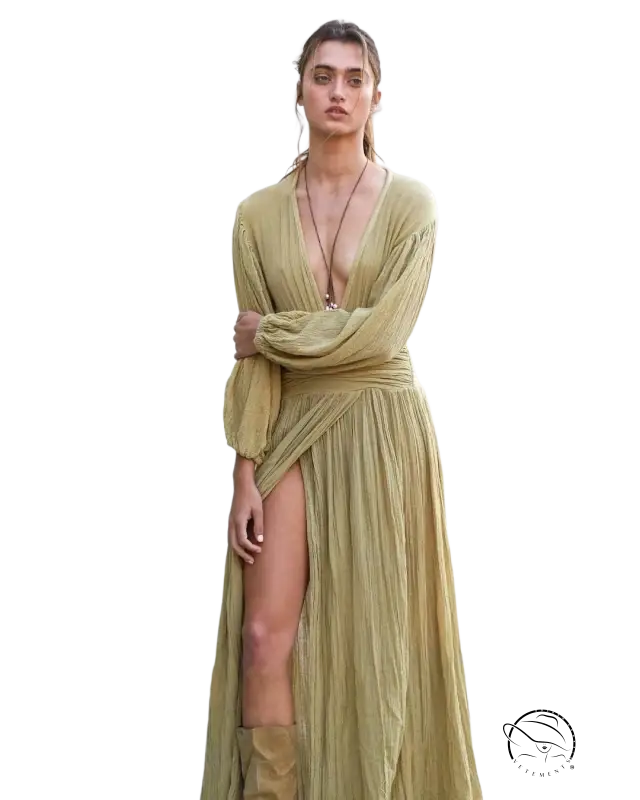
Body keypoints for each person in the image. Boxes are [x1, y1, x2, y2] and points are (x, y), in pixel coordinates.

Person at [201, 17, 482, 800]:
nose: (338, 91)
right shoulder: (257, 216)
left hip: (383, 427)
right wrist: (244, 473)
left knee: (378, 640)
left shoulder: (412, 204)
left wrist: (275, 330)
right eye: (323, 76)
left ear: (376, 97)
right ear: (299, 91)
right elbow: (251, 362)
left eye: (355, 79)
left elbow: (383, 336)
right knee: (265, 637)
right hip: (291, 425)